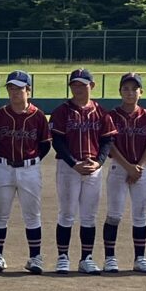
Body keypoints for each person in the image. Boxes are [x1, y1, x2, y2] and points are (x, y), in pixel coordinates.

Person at [47, 68, 115, 273]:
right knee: (67, 214)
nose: (78, 88)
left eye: (82, 84)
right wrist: (73, 163)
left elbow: (107, 140)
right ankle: (63, 257)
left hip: (93, 168)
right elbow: (57, 141)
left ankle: (86, 258)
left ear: (91, 86)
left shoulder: (101, 112)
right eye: (74, 84)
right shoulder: (62, 111)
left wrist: (99, 162)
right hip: (69, 168)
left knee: (89, 216)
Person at [0, 70, 51, 274]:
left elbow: (45, 144)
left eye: (19, 88)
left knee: (32, 215)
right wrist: (3, 159)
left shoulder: (38, 116)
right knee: (0, 214)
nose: (14, 92)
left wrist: (31, 161)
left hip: (30, 169)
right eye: (11, 88)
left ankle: (35, 258)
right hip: (3, 167)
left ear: (28, 90)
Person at [103, 72, 146, 272]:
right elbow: (109, 145)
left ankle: (140, 258)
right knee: (114, 214)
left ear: (141, 92)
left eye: (134, 89)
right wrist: (128, 167)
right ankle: (110, 258)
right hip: (119, 168)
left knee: (140, 214)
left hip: (141, 170)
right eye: (126, 88)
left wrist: (139, 168)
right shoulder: (111, 116)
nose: (130, 92)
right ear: (120, 91)